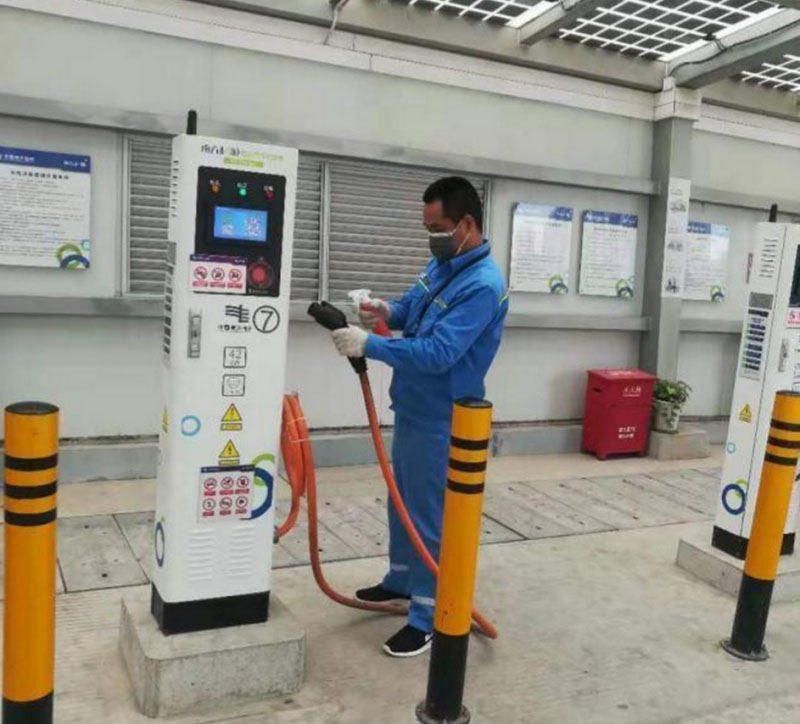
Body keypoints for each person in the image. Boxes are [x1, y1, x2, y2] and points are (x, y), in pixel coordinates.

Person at [329, 176, 508, 657]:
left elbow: (439, 352)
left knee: (430, 518)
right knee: (403, 502)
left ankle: (429, 615)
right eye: (428, 228)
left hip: (443, 418)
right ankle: (402, 581)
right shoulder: (443, 264)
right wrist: (381, 309)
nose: (432, 237)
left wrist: (370, 344)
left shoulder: (483, 285)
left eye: (437, 228)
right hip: (413, 406)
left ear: (466, 223)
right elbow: (411, 309)